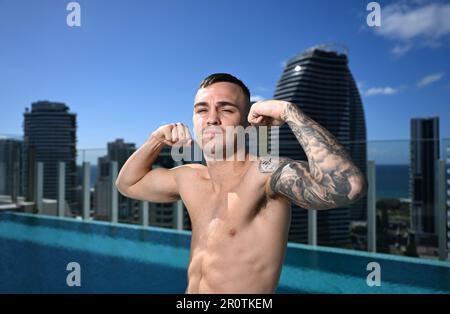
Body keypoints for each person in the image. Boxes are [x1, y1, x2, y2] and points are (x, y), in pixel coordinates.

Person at [115, 73, 367, 293]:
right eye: (202, 109)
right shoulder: (190, 177)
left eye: (226, 109)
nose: (211, 119)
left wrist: (289, 112)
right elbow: (128, 184)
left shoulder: (265, 173)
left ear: (247, 122)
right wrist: (155, 140)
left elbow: (348, 186)